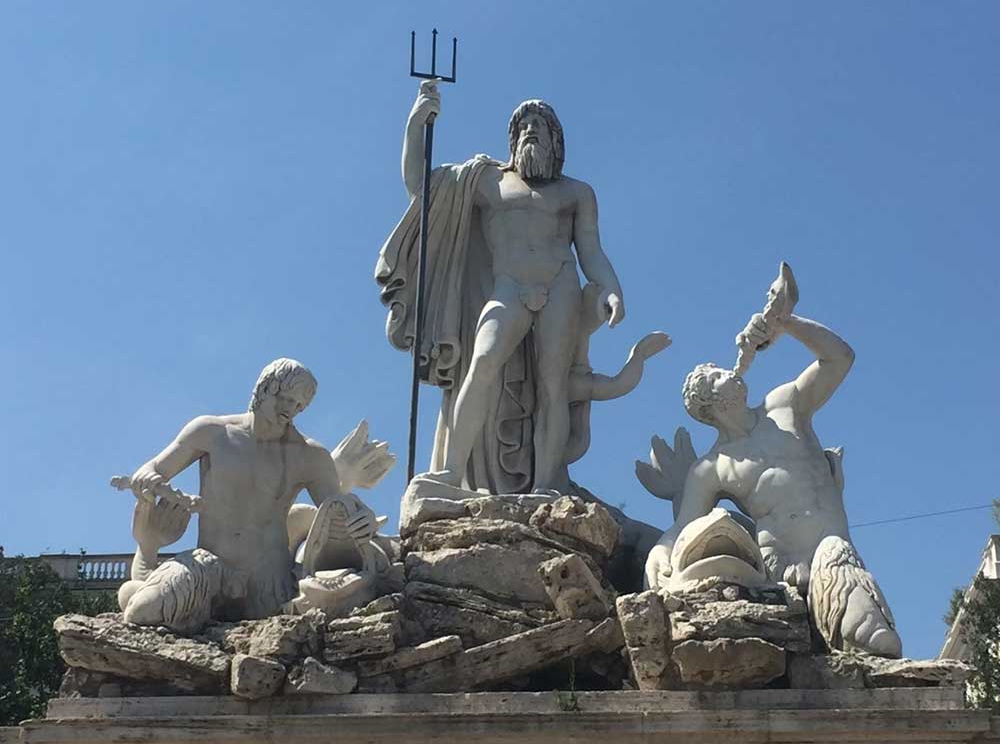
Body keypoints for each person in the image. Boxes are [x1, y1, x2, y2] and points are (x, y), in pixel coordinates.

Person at [376, 81, 625, 493]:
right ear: (512, 139)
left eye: (539, 126)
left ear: (554, 140)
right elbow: (420, 185)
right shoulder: (485, 181)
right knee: (482, 363)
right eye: (522, 125)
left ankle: (546, 485)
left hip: (559, 284)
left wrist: (611, 289)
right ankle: (452, 473)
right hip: (508, 287)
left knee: (552, 385)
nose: (530, 130)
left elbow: (592, 251)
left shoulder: (576, 193)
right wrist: (417, 122)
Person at [644, 312, 902, 657]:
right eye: (718, 375)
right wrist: (659, 554)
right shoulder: (712, 468)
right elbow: (682, 527)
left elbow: (839, 358)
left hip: (830, 551)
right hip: (776, 570)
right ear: (710, 404)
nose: (731, 371)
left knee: (875, 640)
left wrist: (785, 323)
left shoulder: (785, 405)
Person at [123, 358, 392, 621]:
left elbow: (339, 511)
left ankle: (150, 592)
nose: (291, 411)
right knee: (141, 610)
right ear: (264, 389)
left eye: (299, 406)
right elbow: (153, 469)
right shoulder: (211, 432)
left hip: (271, 585)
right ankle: (151, 591)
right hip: (209, 569)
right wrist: (145, 483)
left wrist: (362, 518)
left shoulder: (310, 456)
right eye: (287, 400)